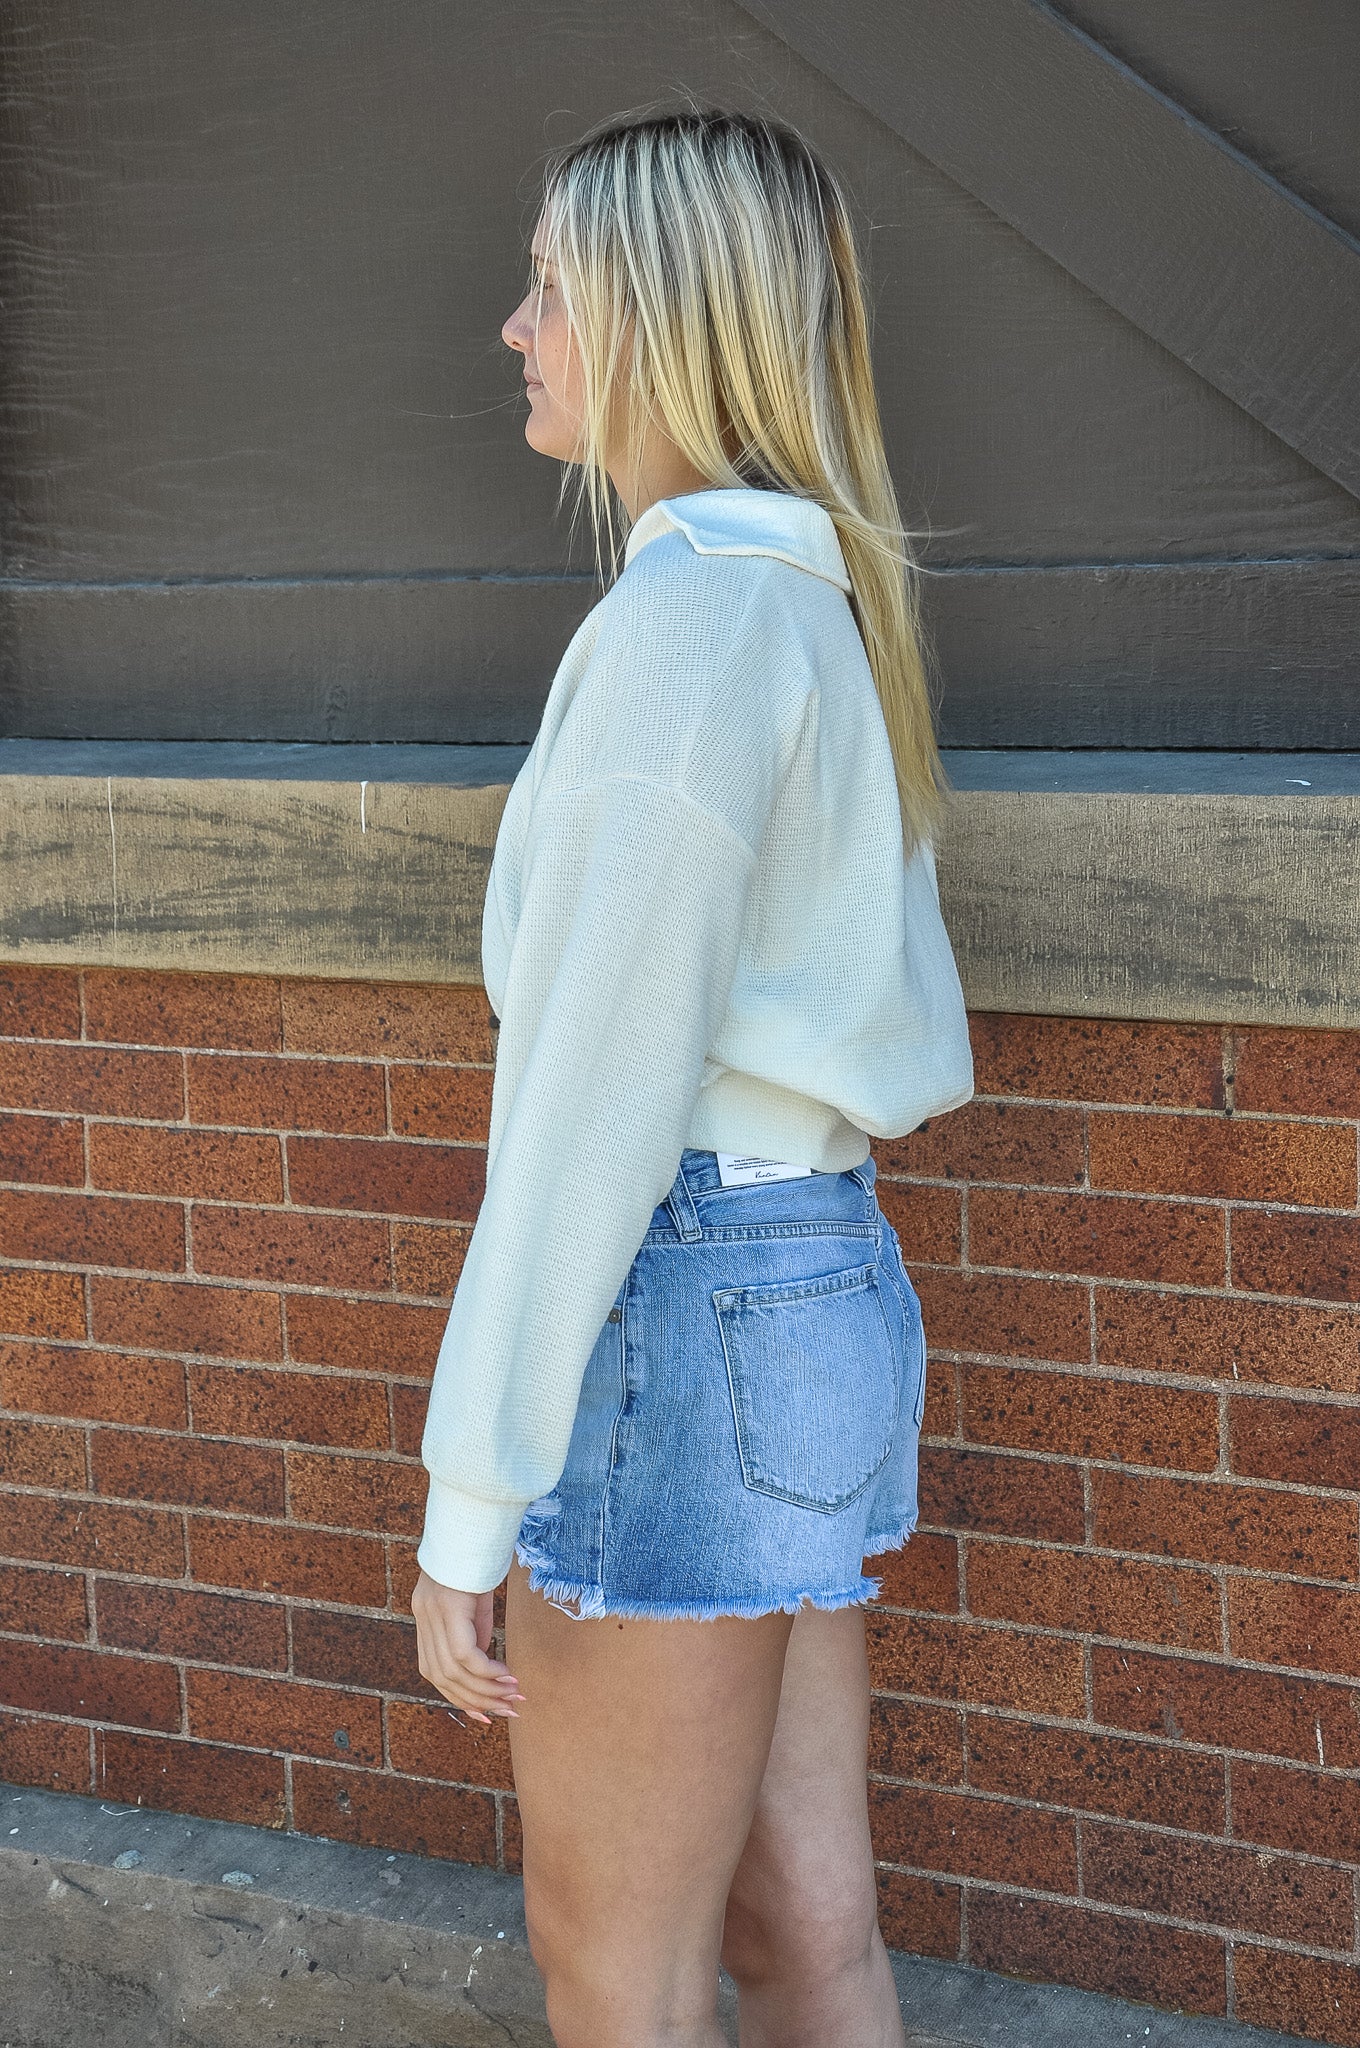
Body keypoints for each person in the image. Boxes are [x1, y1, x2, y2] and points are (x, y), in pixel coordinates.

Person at [409, 105, 974, 2048]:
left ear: (659, 320)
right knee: (808, 1928)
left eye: (552, 289)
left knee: (618, 1971)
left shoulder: (688, 630)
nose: (515, 329)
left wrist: (466, 1504)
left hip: (684, 1300)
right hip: (811, 1280)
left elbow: (588, 1109)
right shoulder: (808, 607)